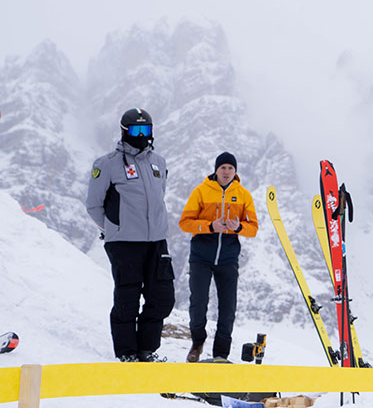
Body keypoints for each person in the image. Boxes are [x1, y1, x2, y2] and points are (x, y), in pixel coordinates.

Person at [86, 108, 175, 362]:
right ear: (124, 131)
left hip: (157, 241)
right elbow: (94, 205)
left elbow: (159, 197)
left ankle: (147, 349)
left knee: (162, 297)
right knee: (128, 297)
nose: (141, 135)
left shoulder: (159, 162)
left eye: (146, 130)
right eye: (136, 130)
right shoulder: (107, 164)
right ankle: (127, 352)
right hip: (124, 243)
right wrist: (115, 228)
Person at [178, 152, 259, 362]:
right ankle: (197, 343)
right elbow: (185, 223)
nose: (226, 172)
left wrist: (239, 226)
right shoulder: (201, 191)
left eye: (230, 168)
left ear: (235, 171)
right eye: (223, 168)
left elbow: (253, 229)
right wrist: (210, 226)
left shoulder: (243, 195)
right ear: (216, 170)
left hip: (228, 258)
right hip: (201, 256)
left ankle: (221, 353)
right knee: (198, 303)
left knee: (227, 307)